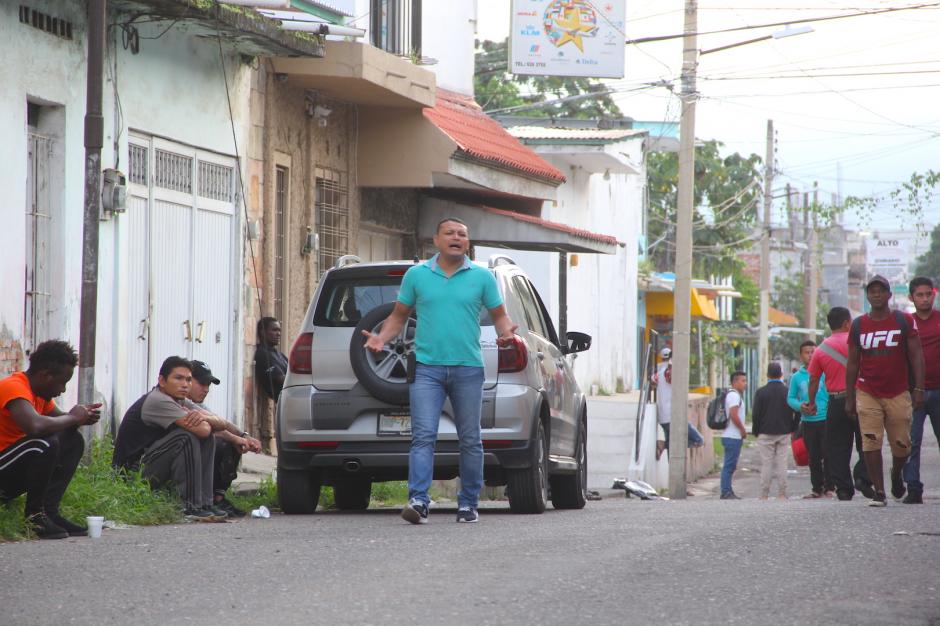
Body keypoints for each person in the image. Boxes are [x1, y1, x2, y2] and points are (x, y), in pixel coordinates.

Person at [363, 217, 517, 524]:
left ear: (468, 243)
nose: (456, 237)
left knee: (470, 439)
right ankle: (418, 501)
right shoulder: (417, 275)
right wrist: (382, 337)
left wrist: (505, 332)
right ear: (436, 240)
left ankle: (468, 503)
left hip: (468, 368)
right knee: (423, 436)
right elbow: (399, 316)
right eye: (450, 233)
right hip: (427, 369)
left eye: (462, 233)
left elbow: (500, 316)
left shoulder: (482, 277)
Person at [0, 340, 101, 539]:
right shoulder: (13, 387)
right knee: (44, 443)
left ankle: (49, 513)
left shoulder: (40, 395)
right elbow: (35, 426)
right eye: (62, 382)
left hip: (10, 469)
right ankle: (35, 517)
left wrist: (82, 418)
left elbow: (62, 424)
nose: (62, 390)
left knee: (71, 440)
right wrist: (73, 417)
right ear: (45, 375)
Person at [113, 357, 232, 521]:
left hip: (152, 463)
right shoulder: (158, 400)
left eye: (189, 380)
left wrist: (207, 418)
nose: (185, 384)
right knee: (186, 437)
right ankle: (189, 506)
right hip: (132, 475)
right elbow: (203, 430)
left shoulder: (180, 400)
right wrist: (207, 421)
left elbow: (222, 423)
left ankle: (205, 504)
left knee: (208, 438)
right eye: (178, 378)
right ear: (162, 380)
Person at [845, 275, 925, 507]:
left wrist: (919, 388)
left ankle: (895, 473)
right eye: (872, 291)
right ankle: (879, 491)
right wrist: (849, 397)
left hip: (898, 392)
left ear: (889, 295)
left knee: (902, 444)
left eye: (881, 291)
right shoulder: (859, 325)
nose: (876, 294)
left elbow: (916, 355)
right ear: (867, 296)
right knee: (871, 441)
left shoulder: (903, 321)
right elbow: (852, 362)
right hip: (867, 391)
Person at [805, 307, 873, 501]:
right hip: (862, 398)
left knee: (837, 447)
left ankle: (843, 488)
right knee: (867, 441)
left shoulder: (820, 349)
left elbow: (813, 379)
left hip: (835, 402)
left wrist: (811, 403)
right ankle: (863, 476)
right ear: (846, 324)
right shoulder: (858, 342)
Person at [188, 361, 262, 518]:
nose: (206, 389)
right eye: (202, 384)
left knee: (232, 443)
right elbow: (211, 428)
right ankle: (203, 500)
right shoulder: (179, 403)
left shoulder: (195, 405)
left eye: (208, 385)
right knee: (222, 443)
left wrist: (244, 436)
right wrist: (237, 439)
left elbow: (221, 422)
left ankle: (218, 498)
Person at [903, 277, 940, 504]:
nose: (925, 299)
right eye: (920, 295)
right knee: (911, 442)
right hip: (914, 392)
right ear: (911, 298)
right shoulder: (907, 323)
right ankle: (913, 488)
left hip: (939, 390)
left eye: (929, 294)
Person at [788, 340, 833, 498]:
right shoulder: (796, 378)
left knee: (828, 454)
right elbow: (791, 398)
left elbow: (831, 393)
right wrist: (801, 406)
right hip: (808, 422)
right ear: (801, 356)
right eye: (807, 352)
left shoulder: (825, 373)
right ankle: (816, 488)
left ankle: (830, 487)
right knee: (813, 456)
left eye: (813, 352)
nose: (810, 355)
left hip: (826, 419)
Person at [752, 362, 795, 500]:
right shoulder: (787, 391)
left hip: (765, 432)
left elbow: (756, 414)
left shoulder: (761, 392)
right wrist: (793, 428)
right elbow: (795, 411)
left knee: (767, 463)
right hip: (784, 431)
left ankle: (764, 494)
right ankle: (782, 493)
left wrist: (756, 430)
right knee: (782, 463)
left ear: (767, 375)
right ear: (781, 374)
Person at [652, 348, 704, 459]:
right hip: (673, 417)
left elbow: (653, 380)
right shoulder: (668, 371)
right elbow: (669, 377)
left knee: (672, 449)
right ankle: (663, 445)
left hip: (663, 416)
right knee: (699, 440)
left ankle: (664, 446)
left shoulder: (658, 372)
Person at [719, 371, 748, 500]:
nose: (745, 384)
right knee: (729, 465)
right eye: (743, 381)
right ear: (735, 382)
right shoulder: (734, 396)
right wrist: (742, 429)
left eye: (745, 381)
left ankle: (727, 490)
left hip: (732, 436)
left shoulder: (734, 395)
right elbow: (734, 414)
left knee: (730, 465)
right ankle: (725, 491)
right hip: (732, 436)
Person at [254, 317, 288, 402]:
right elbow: (283, 380)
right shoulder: (262, 354)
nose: (278, 333)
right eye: (274, 330)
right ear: (263, 332)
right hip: (286, 401)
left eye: (279, 330)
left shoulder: (279, 354)